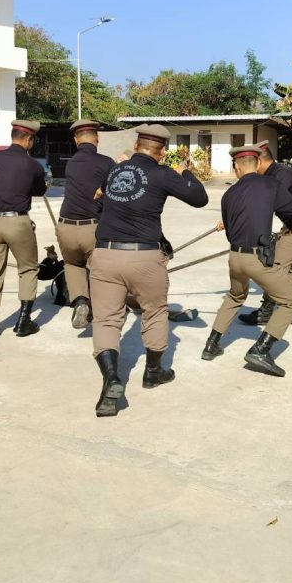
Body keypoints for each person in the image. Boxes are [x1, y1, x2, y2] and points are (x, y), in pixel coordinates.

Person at [89, 124, 209, 417]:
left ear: (136, 144)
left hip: (106, 253)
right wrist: (185, 172)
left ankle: (111, 378)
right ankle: (153, 373)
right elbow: (200, 198)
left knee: (106, 320)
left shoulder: (115, 171)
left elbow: (98, 199)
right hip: (144, 256)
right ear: (162, 151)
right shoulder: (163, 174)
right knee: (154, 312)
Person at [202, 144, 292, 377]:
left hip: (234, 257)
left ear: (236, 167)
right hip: (257, 258)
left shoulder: (229, 194)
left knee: (235, 296)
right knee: (290, 301)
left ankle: (211, 345)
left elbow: (230, 230)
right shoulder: (270, 184)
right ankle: (261, 350)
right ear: (258, 164)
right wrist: (288, 224)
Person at [0, 119, 47, 341]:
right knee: (28, 269)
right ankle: (23, 321)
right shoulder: (33, 166)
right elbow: (39, 191)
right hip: (17, 222)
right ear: (28, 139)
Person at [238, 141, 292, 326]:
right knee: (282, 266)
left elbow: (269, 200)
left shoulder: (282, 173)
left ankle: (266, 311)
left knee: (272, 267)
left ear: (259, 162)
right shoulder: (269, 176)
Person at [56, 119, 116, 329]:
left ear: (76, 140)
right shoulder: (107, 163)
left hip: (65, 226)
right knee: (98, 272)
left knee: (73, 265)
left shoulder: (71, 163)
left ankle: (81, 302)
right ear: (97, 139)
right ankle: (99, 313)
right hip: (92, 227)